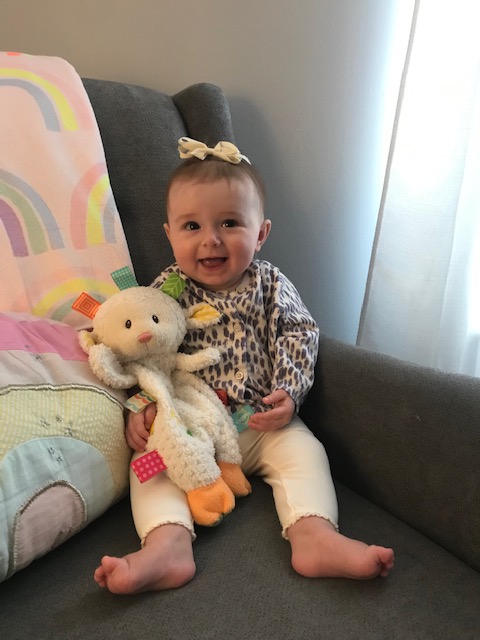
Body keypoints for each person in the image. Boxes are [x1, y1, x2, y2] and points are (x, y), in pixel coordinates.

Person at [94, 137, 394, 594]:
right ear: (170, 234)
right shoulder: (164, 293)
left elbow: (299, 333)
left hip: (260, 423)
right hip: (190, 430)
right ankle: (167, 543)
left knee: (305, 452)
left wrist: (290, 392)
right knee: (148, 465)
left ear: (261, 233)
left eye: (230, 223)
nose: (211, 239)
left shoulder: (270, 283)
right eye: (191, 226)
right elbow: (140, 355)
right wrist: (139, 407)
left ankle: (314, 535)